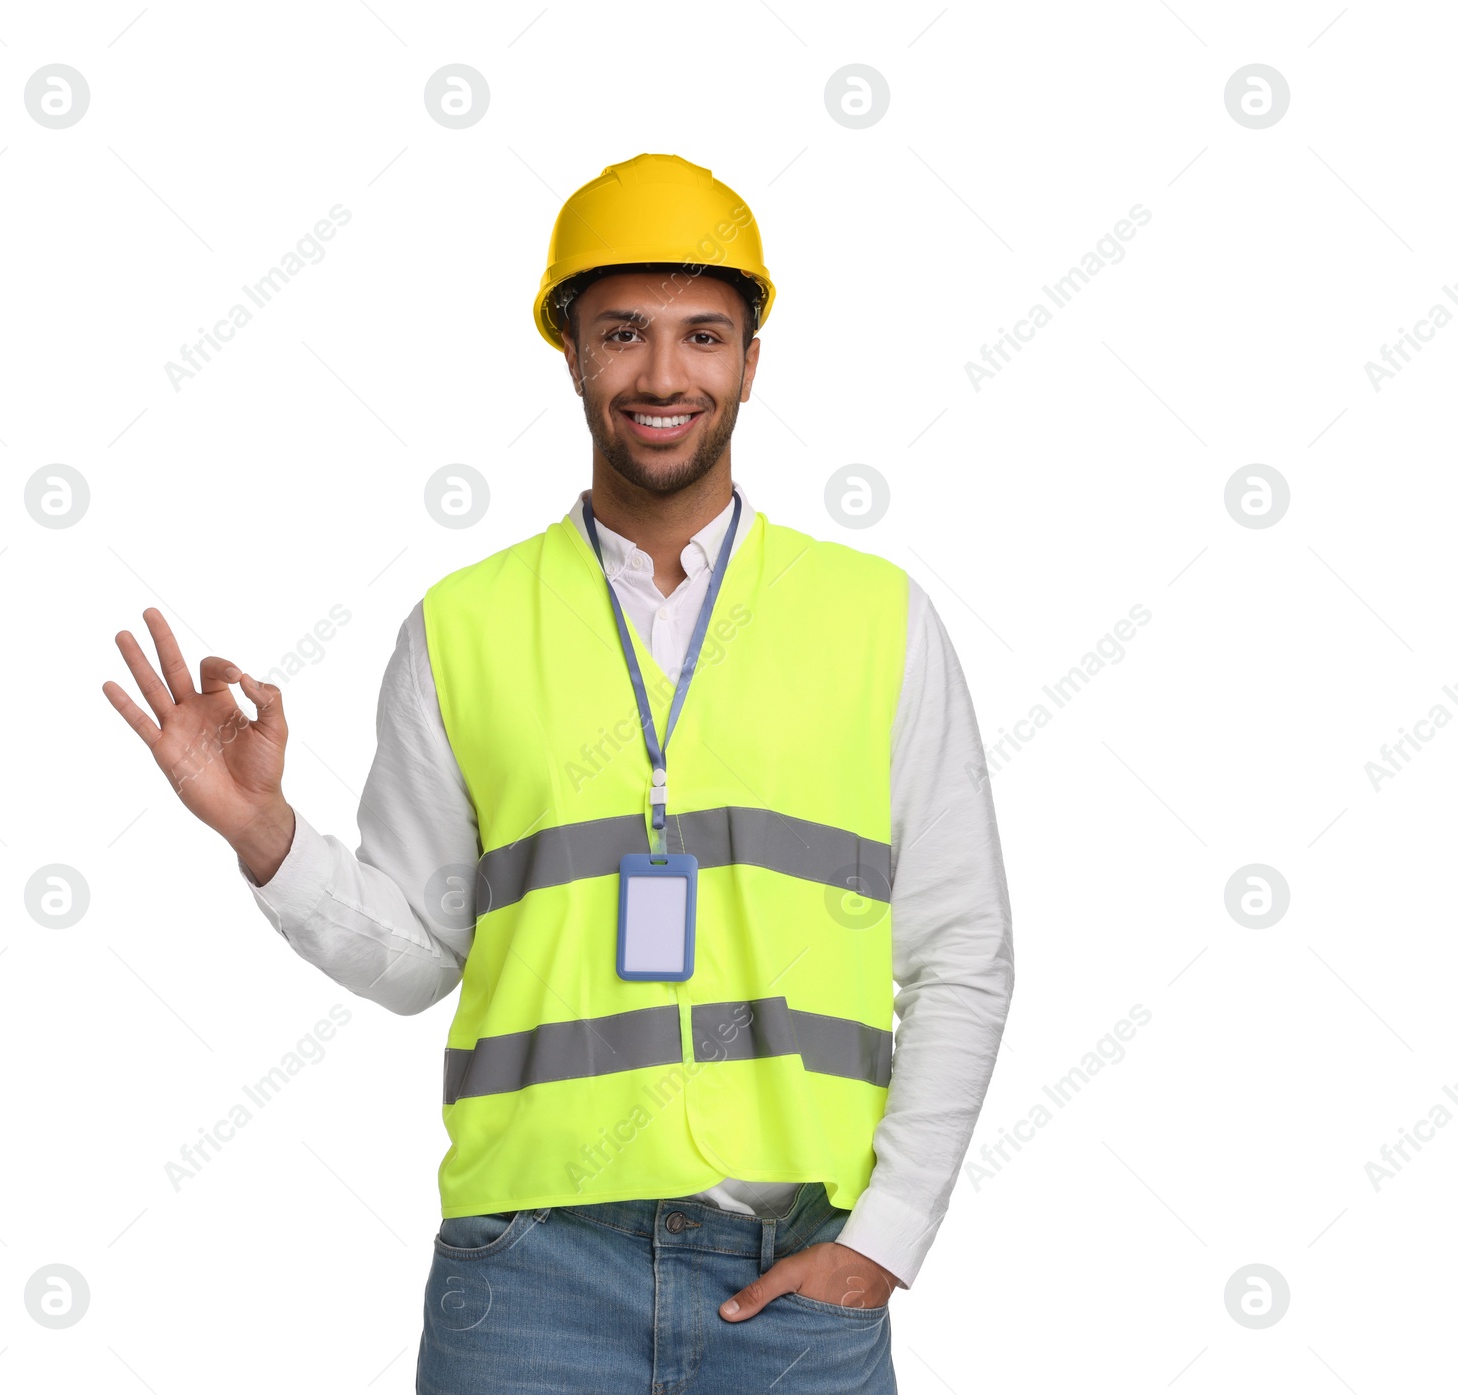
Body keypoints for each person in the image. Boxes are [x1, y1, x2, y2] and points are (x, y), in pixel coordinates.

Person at [102, 151, 1014, 1394]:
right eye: (622, 331)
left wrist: (886, 1240)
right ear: (572, 351)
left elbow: (961, 949)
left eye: (702, 335)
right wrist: (265, 834)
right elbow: (420, 956)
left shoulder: (880, 621)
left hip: (797, 1271)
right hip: (526, 1281)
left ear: (751, 358)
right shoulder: (461, 627)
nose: (661, 374)